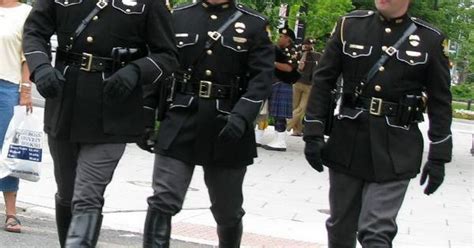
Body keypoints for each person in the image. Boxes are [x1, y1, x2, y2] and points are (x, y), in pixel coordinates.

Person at [22, 1, 178, 247]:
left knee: (87, 196)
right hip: (65, 103)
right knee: (67, 193)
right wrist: (40, 67)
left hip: (114, 108)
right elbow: (34, 32)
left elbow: (168, 55)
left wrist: (136, 71)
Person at [303, 0, 452, 247]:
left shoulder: (430, 39)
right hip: (349, 142)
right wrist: (313, 132)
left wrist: (439, 155)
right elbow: (323, 81)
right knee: (340, 228)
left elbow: (440, 101)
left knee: (376, 232)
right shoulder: (349, 26)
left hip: (397, 148)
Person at [138, 0, 274, 247]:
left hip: (227, 121)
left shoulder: (254, 23)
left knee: (227, 209)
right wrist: (146, 113)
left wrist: (243, 115)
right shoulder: (177, 16)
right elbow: (160, 64)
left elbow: (262, 79)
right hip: (181, 116)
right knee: (163, 199)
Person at [0, 0, 32, 234]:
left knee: (7, 150)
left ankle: (11, 213)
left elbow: (28, 54)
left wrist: (25, 89)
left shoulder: (26, 13)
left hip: (8, 87)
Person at [259, 27, 299, 151]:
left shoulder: (293, 51)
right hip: (273, 82)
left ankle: (280, 141)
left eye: (281, 36)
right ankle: (263, 138)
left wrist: (272, 62)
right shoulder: (278, 50)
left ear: (288, 39)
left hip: (283, 83)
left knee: (279, 114)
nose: (279, 38)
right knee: (267, 113)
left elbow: (288, 68)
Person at [286, 38, 321, 136]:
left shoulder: (317, 56)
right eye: (306, 44)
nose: (307, 46)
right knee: (295, 107)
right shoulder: (298, 54)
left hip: (309, 85)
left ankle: (286, 125)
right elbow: (298, 67)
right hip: (297, 83)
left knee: (302, 108)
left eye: (309, 44)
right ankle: (297, 130)